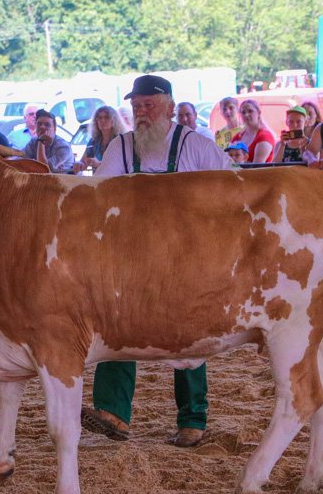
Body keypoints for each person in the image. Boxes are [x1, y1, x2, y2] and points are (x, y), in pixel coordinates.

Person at [87, 74, 233, 448]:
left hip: (186, 258)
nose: (141, 113)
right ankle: (111, 412)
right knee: (116, 325)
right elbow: (96, 195)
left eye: (149, 105)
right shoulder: (120, 147)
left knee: (188, 334)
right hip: (130, 257)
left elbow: (233, 191)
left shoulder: (197, 147)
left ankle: (192, 420)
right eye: (136, 107)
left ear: (170, 106)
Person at [72, 106, 126, 174]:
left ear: (114, 120)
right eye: (99, 118)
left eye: (106, 117)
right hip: (97, 180)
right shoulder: (94, 141)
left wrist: (99, 164)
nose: (102, 121)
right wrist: (80, 164)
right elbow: (84, 160)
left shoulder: (120, 140)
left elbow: (122, 165)